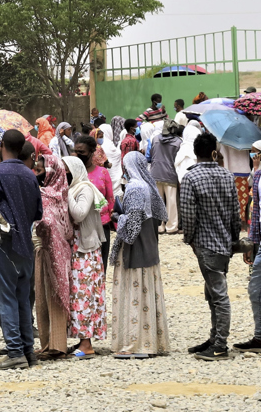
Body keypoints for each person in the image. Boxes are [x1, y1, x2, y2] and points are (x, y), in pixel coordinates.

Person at [0, 128, 43, 370]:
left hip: (2, 242)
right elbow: (38, 212)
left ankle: (15, 351)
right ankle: (28, 351)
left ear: (3, 145)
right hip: (25, 242)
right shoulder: (30, 175)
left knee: (4, 297)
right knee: (23, 298)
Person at [180, 131, 241, 361]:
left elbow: (188, 215)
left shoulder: (190, 178)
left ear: (195, 153)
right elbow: (235, 213)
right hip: (224, 243)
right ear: (214, 151)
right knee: (213, 292)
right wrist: (233, 239)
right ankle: (215, 337)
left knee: (218, 295)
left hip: (205, 244)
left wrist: (190, 239)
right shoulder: (227, 175)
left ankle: (220, 346)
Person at [111, 151, 171, 358]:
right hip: (149, 248)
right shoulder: (148, 186)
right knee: (147, 295)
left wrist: (118, 218)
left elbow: (133, 226)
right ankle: (151, 342)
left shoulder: (135, 188)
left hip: (136, 251)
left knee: (135, 295)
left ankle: (136, 345)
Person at [64, 155, 106, 359]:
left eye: (67, 171)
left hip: (86, 252)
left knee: (85, 295)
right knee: (76, 295)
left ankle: (87, 344)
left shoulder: (85, 189)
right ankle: (82, 339)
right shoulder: (74, 189)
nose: (64, 175)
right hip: (76, 250)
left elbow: (79, 214)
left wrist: (65, 192)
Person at [33, 155, 73, 361]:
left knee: (53, 295)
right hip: (54, 250)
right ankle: (47, 343)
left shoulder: (47, 195)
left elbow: (47, 222)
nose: (37, 174)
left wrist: (37, 227)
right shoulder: (62, 194)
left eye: (41, 171)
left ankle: (57, 345)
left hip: (50, 251)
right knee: (44, 297)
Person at [77, 134, 117, 275]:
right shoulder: (73, 174)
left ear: (92, 151)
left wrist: (114, 223)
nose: (78, 154)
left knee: (101, 265)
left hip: (102, 224)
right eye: (76, 151)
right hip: (80, 226)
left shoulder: (103, 173)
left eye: (82, 152)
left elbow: (110, 198)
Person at [236, 142, 261, 353]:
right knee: (255, 288)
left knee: (255, 288)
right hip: (258, 238)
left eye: (255, 152)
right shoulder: (258, 175)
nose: (252, 155)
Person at [149, 120, 183, 234]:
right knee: (171, 201)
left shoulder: (155, 139)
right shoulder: (178, 142)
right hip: (170, 174)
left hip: (155, 173)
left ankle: (159, 226)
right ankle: (171, 227)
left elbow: (151, 155)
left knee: (158, 201)